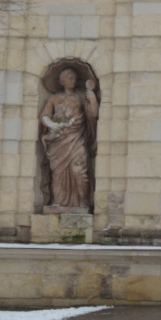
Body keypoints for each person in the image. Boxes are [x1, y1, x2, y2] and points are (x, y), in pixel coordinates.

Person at [39, 62, 99, 210]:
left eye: (74, 77)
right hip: (58, 141)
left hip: (77, 138)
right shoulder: (53, 98)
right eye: (69, 77)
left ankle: (83, 203)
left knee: (80, 172)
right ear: (62, 81)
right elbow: (44, 116)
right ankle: (59, 202)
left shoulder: (80, 96)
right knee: (58, 174)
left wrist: (92, 98)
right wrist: (52, 125)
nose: (73, 80)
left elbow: (93, 114)